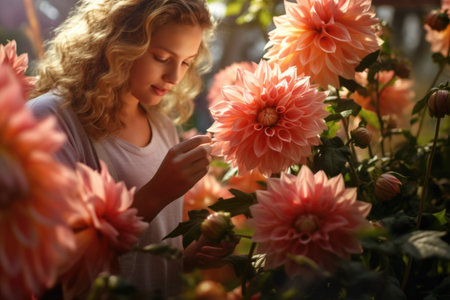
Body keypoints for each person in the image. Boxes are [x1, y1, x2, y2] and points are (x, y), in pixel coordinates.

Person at [27, 0, 235, 297]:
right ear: (117, 44)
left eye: (186, 62)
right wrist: (157, 193)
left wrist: (186, 259)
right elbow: (54, 260)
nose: (175, 77)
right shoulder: (49, 119)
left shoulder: (161, 126)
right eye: (162, 57)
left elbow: (140, 256)